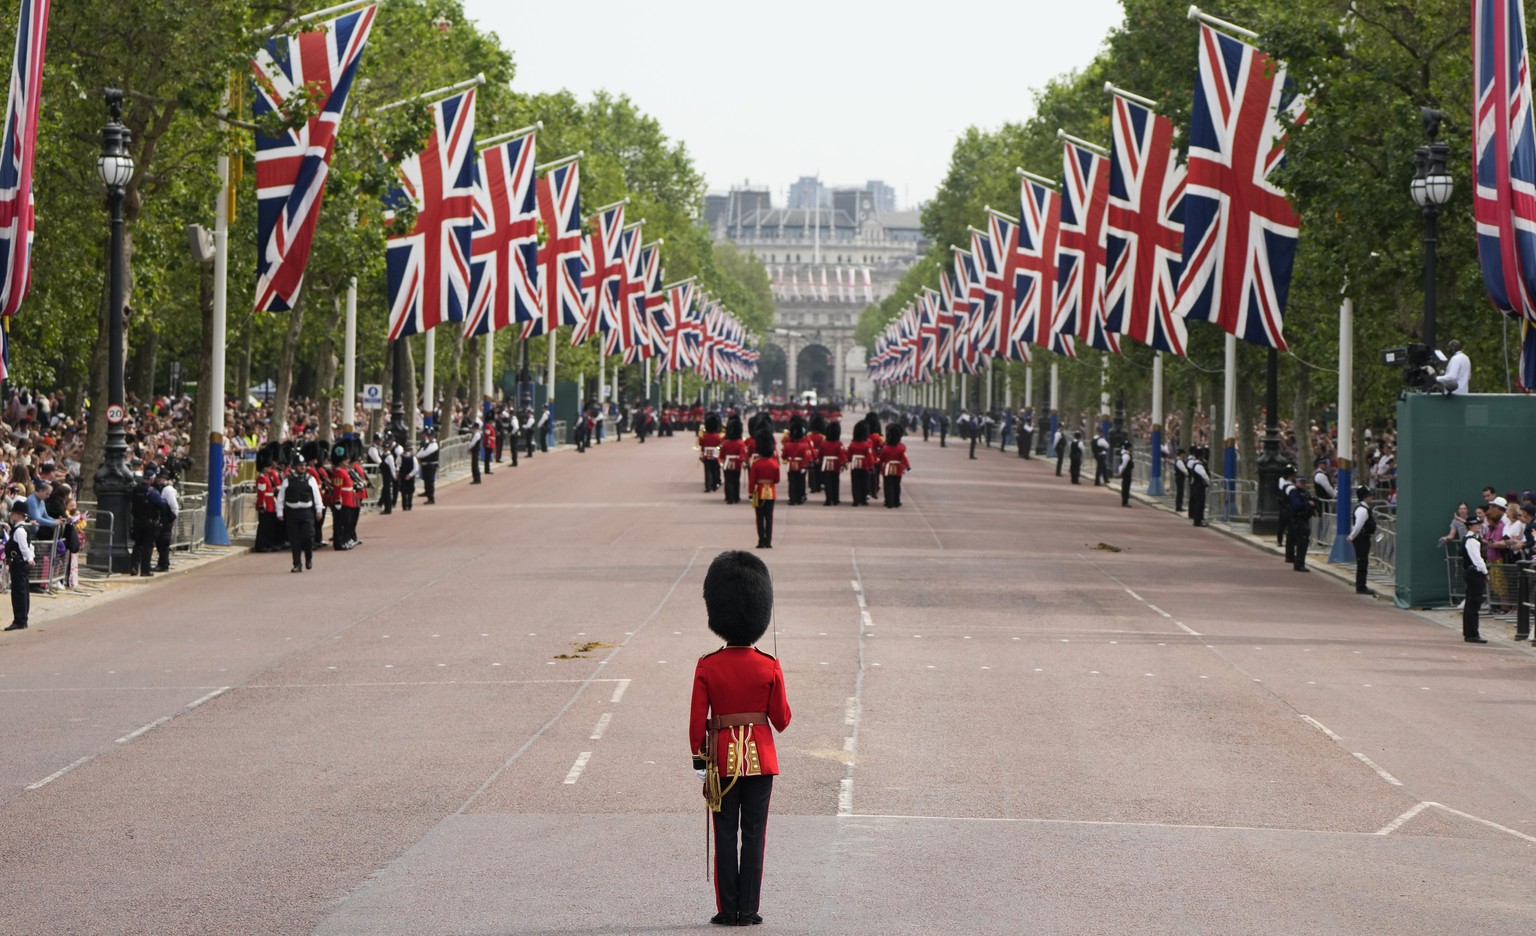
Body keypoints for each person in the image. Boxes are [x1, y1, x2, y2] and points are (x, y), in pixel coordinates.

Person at [690, 551, 791, 927]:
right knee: (754, 837)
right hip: (761, 761)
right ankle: (749, 909)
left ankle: (726, 909)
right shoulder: (769, 665)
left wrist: (701, 766)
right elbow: (781, 720)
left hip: (720, 761)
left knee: (724, 836)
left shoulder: (708, 665)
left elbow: (696, 723)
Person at [276, 453, 323, 573]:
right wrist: (279, 511)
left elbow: (317, 496)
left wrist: (319, 509)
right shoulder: (287, 480)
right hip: (292, 513)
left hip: (307, 512)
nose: (302, 467)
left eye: (304, 465)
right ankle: (297, 563)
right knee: (294, 539)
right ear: (294, 466)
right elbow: (281, 497)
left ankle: (308, 557)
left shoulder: (310, 479)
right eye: (300, 465)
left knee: (308, 537)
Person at [129, 466, 165, 577]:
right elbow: (162, 505)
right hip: (150, 523)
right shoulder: (152, 492)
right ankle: (145, 570)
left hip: (137, 521)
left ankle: (134, 567)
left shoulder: (135, 490)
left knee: (137, 545)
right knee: (147, 547)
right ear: (152, 479)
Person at [4, 501, 34, 630]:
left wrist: (29, 558)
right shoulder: (23, 529)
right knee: (23, 591)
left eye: (14, 513)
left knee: (19, 592)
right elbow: (30, 546)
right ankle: (22, 618)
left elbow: (24, 547)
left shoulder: (19, 531)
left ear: (20, 515)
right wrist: (30, 558)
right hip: (22, 563)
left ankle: (20, 619)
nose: (11, 515)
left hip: (18, 563)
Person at [748, 433, 780, 549]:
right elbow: (777, 480)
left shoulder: (756, 464)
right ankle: (768, 541)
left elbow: (752, 480)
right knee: (769, 517)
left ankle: (761, 540)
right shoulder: (775, 464)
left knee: (760, 517)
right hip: (771, 491)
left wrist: (751, 492)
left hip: (759, 491)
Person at [1463, 519, 1490, 643]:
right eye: (1475, 525)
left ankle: (1469, 632)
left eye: (1479, 524)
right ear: (1470, 526)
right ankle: (1472, 633)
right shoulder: (1472, 541)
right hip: (1475, 572)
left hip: (1471, 572)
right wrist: (1485, 572)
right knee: (1474, 602)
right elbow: (1477, 560)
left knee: (1470, 602)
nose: (1478, 526)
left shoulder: (1470, 539)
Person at [1350, 486, 1376, 594]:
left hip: (1363, 538)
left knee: (1363, 561)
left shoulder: (1365, 509)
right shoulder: (1362, 510)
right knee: (1362, 561)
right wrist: (1352, 536)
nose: (1371, 497)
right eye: (1369, 495)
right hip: (1361, 539)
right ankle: (1361, 586)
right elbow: (1358, 525)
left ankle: (1361, 584)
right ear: (1365, 497)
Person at [880, 422, 911, 508]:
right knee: (897, 485)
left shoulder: (885, 447)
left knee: (888, 485)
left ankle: (889, 502)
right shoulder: (902, 447)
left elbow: (882, 458)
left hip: (887, 468)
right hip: (898, 468)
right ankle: (897, 501)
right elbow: (904, 458)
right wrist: (907, 467)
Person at [154, 470, 180, 572]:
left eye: (161, 478)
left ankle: (163, 565)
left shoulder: (168, 490)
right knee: (160, 542)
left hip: (166, 519)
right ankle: (162, 563)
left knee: (163, 542)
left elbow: (174, 506)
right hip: (163, 519)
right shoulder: (161, 488)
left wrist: (171, 518)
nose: (159, 480)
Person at [719, 418, 747, 506]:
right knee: (736, 480)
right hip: (737, 463)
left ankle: (729, 498)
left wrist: (721, 460)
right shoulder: (740, 443)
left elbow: (721, 455)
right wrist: (743, 461)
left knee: (728, 481)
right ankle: (736, 497)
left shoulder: (725, 443)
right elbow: (742, 454)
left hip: (727, 462)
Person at [1287, 479, 1313, 572]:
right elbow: (1296, 505)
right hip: (1298, 520)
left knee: (1303, 542)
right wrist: (1306, 503)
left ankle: (1300, 563)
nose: (1303, 485)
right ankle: (1299, 564)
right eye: (1301, 483)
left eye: (1304, 483)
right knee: (1301, 542)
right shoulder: (1294, 493)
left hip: (1304, 519)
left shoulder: (1304, 493)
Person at [818, 421, 845, 507]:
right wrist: (843, 463)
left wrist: (818, 461)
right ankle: (835, 499)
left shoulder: (823, 443)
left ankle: (828, 499)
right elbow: (842, 454)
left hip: (826, 464)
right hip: (835, 464)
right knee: (835, 482)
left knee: (827, 483)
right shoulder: (839, 444)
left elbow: (820, 455)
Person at [846, 422, 873, 507]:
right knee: (864, 483)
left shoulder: (852, 444)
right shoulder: (866, 445)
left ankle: (856, 500)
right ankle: (863, 499)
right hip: (864, 465)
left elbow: (848, 455)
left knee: (855, 483)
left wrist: (847, 461)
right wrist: (871, 466)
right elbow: (869, 457)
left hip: (854, 465)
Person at [699, 413, 723, 494]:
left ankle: (708, 486)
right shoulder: (717, 436)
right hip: (715, 454)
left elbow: (701, 444)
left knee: (707, 471)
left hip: (706, 454)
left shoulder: (704, 436)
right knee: (715, 470)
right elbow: (720, 444)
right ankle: (715, 484)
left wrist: (702, 453)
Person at [416, 430, 440, 503]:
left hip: (431, 465)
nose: (429, 437)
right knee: (426, 480)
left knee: (430, 482)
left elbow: (425, 453)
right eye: (428, 436)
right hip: (426, 465)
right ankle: (427, 492)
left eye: (430, 436)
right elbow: (421, 451)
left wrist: (419, 456)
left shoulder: (434, 445)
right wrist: (418, 455)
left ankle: (431, 498)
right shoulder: (428, 443)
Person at [1189, 448, 1211, 527]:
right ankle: (1197, 521)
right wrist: (1209, 483)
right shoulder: (1199, 465)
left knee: (1199, 503)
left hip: (1196, 487)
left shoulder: (1195, 464)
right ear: (1200, 456)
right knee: (1200, 504)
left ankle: (1199, 519)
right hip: (1199, 487)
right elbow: (1204, 475)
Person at [396, 444, 417, 512]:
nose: (408, 451)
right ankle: (404, 505)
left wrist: (410, 475)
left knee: (410, 491)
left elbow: (416, 468)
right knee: (403, 491)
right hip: (403, 475)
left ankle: (409, 504)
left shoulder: (413, 457)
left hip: (410, 475)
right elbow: (398, 465)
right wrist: (398, 472)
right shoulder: (400, 457)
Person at [1118, 441, 1133, 508]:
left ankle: (1125, 501)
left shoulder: (1125, 454)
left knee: (1125, 487)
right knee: (1126, 487)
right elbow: (1123, 465)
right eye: (1130, 447)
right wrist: (1120, 472)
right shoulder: (1126, 455)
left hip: (1126, 472)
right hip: (1126, 472)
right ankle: (1125, 502)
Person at [1173, 447, 1188, 513]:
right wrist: (1187, 473)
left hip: (1180, 478)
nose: (1184, 456)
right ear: (1181, 454)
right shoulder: (1179, 461)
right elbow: (1183, 469)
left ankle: (1179, 506)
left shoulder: (1178, 460)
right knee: (1180, 492)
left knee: (1180, 492)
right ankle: (1178, 506)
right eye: (1183, 454)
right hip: (1179, 478)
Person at [467, 419, 483, 484]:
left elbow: (472, 443)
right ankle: (476, 478)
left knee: (475, 465)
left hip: (475, 451)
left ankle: (476, 479)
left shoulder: (477, 434)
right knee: (475, 465)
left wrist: (469, 448)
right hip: (475, 451)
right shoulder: (476, 434)